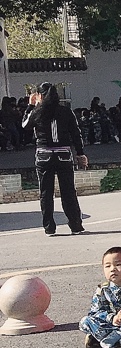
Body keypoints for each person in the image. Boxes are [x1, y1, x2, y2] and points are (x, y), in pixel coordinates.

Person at [22, 82, 87, 236]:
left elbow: (25, 125)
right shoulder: (66, 111)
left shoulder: (37, 112)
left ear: (39, 96)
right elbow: (76, 133)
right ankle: (75, 225)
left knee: (46, 192)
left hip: (44, 154)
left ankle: (49, 227)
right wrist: (80, 153)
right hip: (63, 154)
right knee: (68, 191)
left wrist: (31, 106)